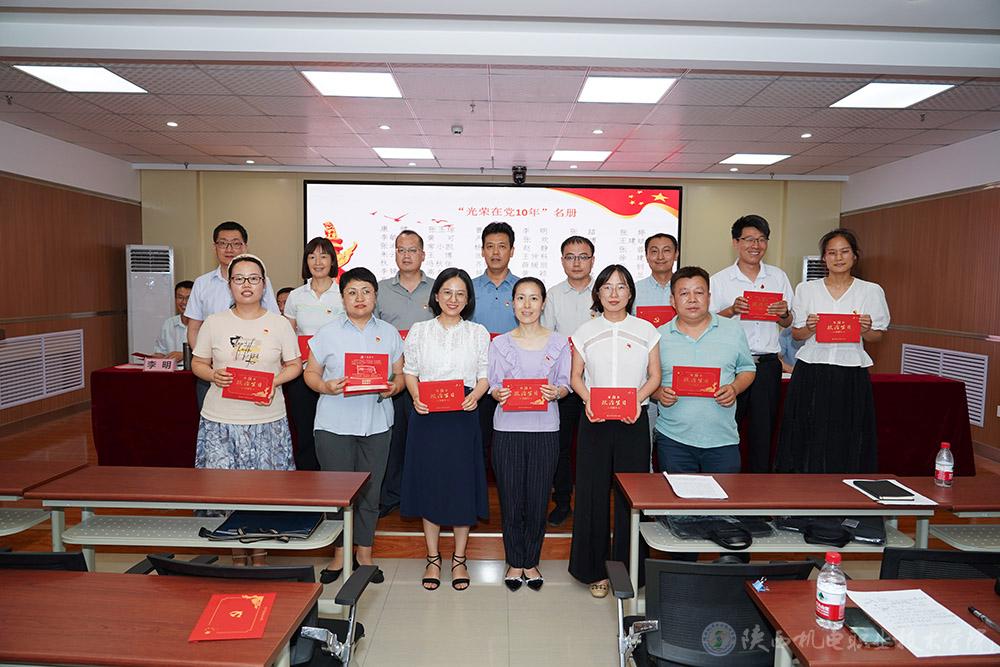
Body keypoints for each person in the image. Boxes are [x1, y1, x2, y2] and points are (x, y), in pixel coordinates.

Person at [190, 254, 302, 567]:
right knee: (224, 491)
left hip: (267, 422)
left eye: (254, 278)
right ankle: (236, 556)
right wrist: (213, 375)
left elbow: (294, 365)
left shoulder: (279, 324)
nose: (246, 284)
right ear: (230, 285)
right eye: (239, 279)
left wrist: (273, 382)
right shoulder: (214, 322)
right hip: (220, 422)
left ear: (264, 284)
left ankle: (261, 556)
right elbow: (198, 362)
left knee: (265, 491)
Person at [304, 267, 404, 586]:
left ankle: (365, 554)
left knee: (371, 493)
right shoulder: (327, 333)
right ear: (342, 297)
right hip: (334, 424)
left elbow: (400, 375)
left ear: (376, 296)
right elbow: (310, 374)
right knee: (336, 493)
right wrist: (325, 386)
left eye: (366, 291)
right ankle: (339, 554)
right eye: (352, 292)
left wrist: (394, 387)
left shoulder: (389, 333)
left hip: (376, 423)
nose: (359, 298)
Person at [569, 265, 661, 598]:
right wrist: (589, 400)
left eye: (621, 287)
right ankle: (593, 570)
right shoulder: (585, 331)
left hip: (633, 420)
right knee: (592, 494)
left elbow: (655, 376)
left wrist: (635, 400)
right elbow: (576, 377)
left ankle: (628, 569)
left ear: (630, 293)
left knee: (630, 496)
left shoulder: (647, 330)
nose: (613, 293)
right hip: (594, 420)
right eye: (607, 287)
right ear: (598, 293)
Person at [402, 268, 490, 591]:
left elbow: (484, 375)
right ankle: (433, 557)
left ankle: (460, 559)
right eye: (447, 292)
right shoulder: (420, 330)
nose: (453, 299)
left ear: (468, 299)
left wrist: (475, 396)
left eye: (460, 293)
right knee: (431, 484)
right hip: (427, 415)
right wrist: (415, 397)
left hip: (462, 415)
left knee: (461, 485)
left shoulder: (477, 332)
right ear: (436, 295)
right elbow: (410, 371)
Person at [776, 229, 889, 474]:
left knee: (847, 432)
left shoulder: (871, 291)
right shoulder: (806, 289)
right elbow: (797, 335)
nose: (838, 258)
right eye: (832, 253)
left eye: (844, 252)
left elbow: (877, 336)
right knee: (807, 432)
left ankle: (845, 489)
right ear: (824, 258)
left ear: (854, 256)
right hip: (811, 371)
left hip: (850, 372)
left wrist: (865, 329)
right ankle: (802, 489)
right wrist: (809, 327)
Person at [489, 277, 571, 591]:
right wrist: (496, 393)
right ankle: (514, 560)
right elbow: (493, 384)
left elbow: (565, 383)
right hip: (508, 430)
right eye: (521, 298)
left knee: (538, 498)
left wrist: (558, 392)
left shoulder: (559, 343)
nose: (527, 305)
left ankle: (531, 559)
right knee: (511, 499)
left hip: (544, 429)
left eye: (534, 298)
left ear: (543, 303)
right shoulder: (499, 343)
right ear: (512, 304)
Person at [709, 215, 793, 473]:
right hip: (730, 366)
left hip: (766, 366)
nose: (755, 245)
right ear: (736, 242)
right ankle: (724, 484)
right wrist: (731, 310)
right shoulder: (719, 280)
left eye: (761, 239)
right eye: (748, 239)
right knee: (725, 429)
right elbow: (706, 323)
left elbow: (789, 321)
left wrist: (783, 313)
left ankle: (758, 490)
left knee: (763, 434)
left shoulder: (778, 277)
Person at [656, 266, 757, 474]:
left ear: (709, 297)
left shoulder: (733, 330)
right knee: (677, 495)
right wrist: (658, 393)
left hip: (723, 439)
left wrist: (735, 388)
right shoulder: (658, 336)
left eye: (699, 292)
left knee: (723, 494)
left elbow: (747, 368)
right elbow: (648, 379)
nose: (692, 299)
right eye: (684, 293)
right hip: (674, 439)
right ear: (672, 300)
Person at [186, 221, 279, 408]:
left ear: (245, 247)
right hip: (213, 372)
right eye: (223, 243)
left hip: (253, 371)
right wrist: (208, 362)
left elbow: (274, 324)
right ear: (215, 247)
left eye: (236, 243)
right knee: (214, 417)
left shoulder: (261, 281)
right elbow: (194, 328)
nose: (229, 249)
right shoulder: (202, 283)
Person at [374, 230, 434, 517]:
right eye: (401, 250)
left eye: (412, 250)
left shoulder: (437, 289)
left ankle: (423, 495)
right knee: (394, 440)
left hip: (428, 379)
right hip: (393, 379)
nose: (406, 255)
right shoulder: (380, 290)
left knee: (424, 441)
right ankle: (392, 495)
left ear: (423, 254)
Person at [539, 235, 596, 526]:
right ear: (562, 261)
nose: (577, 263)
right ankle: (562, 502)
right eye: (570, 257)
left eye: (583, 257)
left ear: (592, 261)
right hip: (563, 387)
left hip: (596, 385)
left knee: (592, 449)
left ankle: (589, 503)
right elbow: (547, 340)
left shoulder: (604, 292)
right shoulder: (552, 295)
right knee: (560, 448)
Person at [283, 237, 345, 471]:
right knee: (305, 430)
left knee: (334, 431)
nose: (318, 262)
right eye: (312, 256)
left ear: (332, 261)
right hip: (303, 373)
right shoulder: (296, 296)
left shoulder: (343, 293)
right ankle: (307, 482)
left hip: (336, 374)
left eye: (323, 256)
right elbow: (288, 334)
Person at [471, 222, 520, 469]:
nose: (496, 252)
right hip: (477, 377)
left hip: (513, 379)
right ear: (482, 251)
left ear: (512, 250)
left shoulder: (523, 289)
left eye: (502, 246)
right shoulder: (468, 288)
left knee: (510, 444)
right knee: (477, 443)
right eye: (490, 246)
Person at [632, 233, 679, 458]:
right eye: (654, 251)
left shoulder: (685, 290)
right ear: (646, 256)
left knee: (676, 446)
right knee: (644, 446)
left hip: (677, 375)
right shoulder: (633, 291)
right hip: (644, 376)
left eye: (666, 250)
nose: (660, 256)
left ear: (676, 254)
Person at [152, 280, 192, 364]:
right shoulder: (168, 324)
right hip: (172, 370)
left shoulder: (205, 324)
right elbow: (160, 352)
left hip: (196, 371)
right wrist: (155, 358)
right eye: (180, 297)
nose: (184, 302)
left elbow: (211, 356)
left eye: (189, 298)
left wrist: (184, 355)